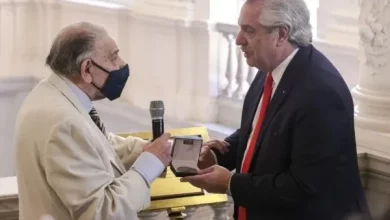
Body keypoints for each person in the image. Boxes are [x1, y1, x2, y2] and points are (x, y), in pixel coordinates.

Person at [181, 0, 371, 220]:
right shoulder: (270, 67)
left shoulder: (321, 94)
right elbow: (257, 131)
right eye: (240, 27)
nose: (238, 40)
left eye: (249, 31)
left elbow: (303, 187)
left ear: (281, 34)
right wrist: (217, 155)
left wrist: (231, 183)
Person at [14, 22, 172, 220]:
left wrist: (152, 150)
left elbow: (97, 146)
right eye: (114, 57)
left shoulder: (49, 94)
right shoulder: (64, 123)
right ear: (87, 69)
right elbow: (103, 212)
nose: (121, 64)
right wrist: (149, 165)